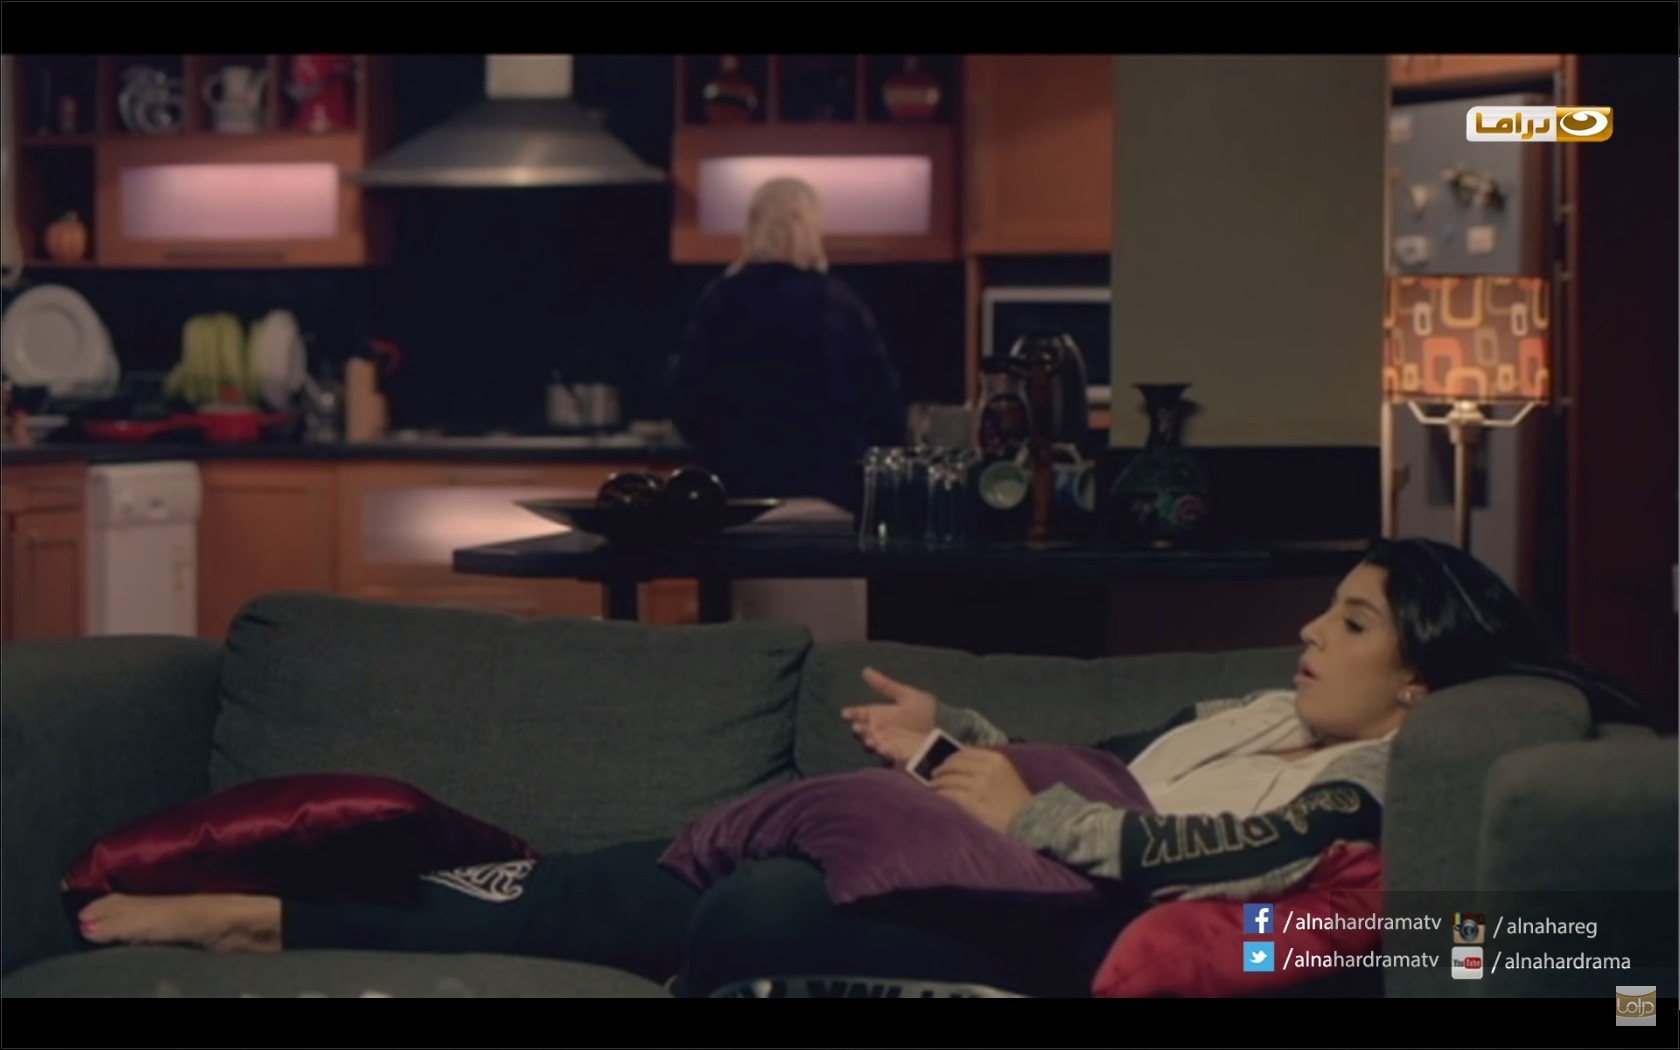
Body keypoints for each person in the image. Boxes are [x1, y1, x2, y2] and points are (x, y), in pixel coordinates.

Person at [74, 538, 1643, 997]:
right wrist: (952, 745)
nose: (1309, 627)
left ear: (1418, 675)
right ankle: (288, 913)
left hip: (1052, 915)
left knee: (738, 904)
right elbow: (1102, 765)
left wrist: (1012, 802)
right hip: (996, 855)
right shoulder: (1255, 710)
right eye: (1325, 604)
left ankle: (282, 915)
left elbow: (1189, 861)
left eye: (1350, 620)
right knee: (624, 885)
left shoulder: (1368, 780)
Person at [666, 175, 906, 514]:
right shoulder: (839, 303)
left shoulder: (721, 300)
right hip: (829, 498)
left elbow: (686, 402)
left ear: (753, 227)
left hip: (740, 500)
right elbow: (885, 412)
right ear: (812, 229)